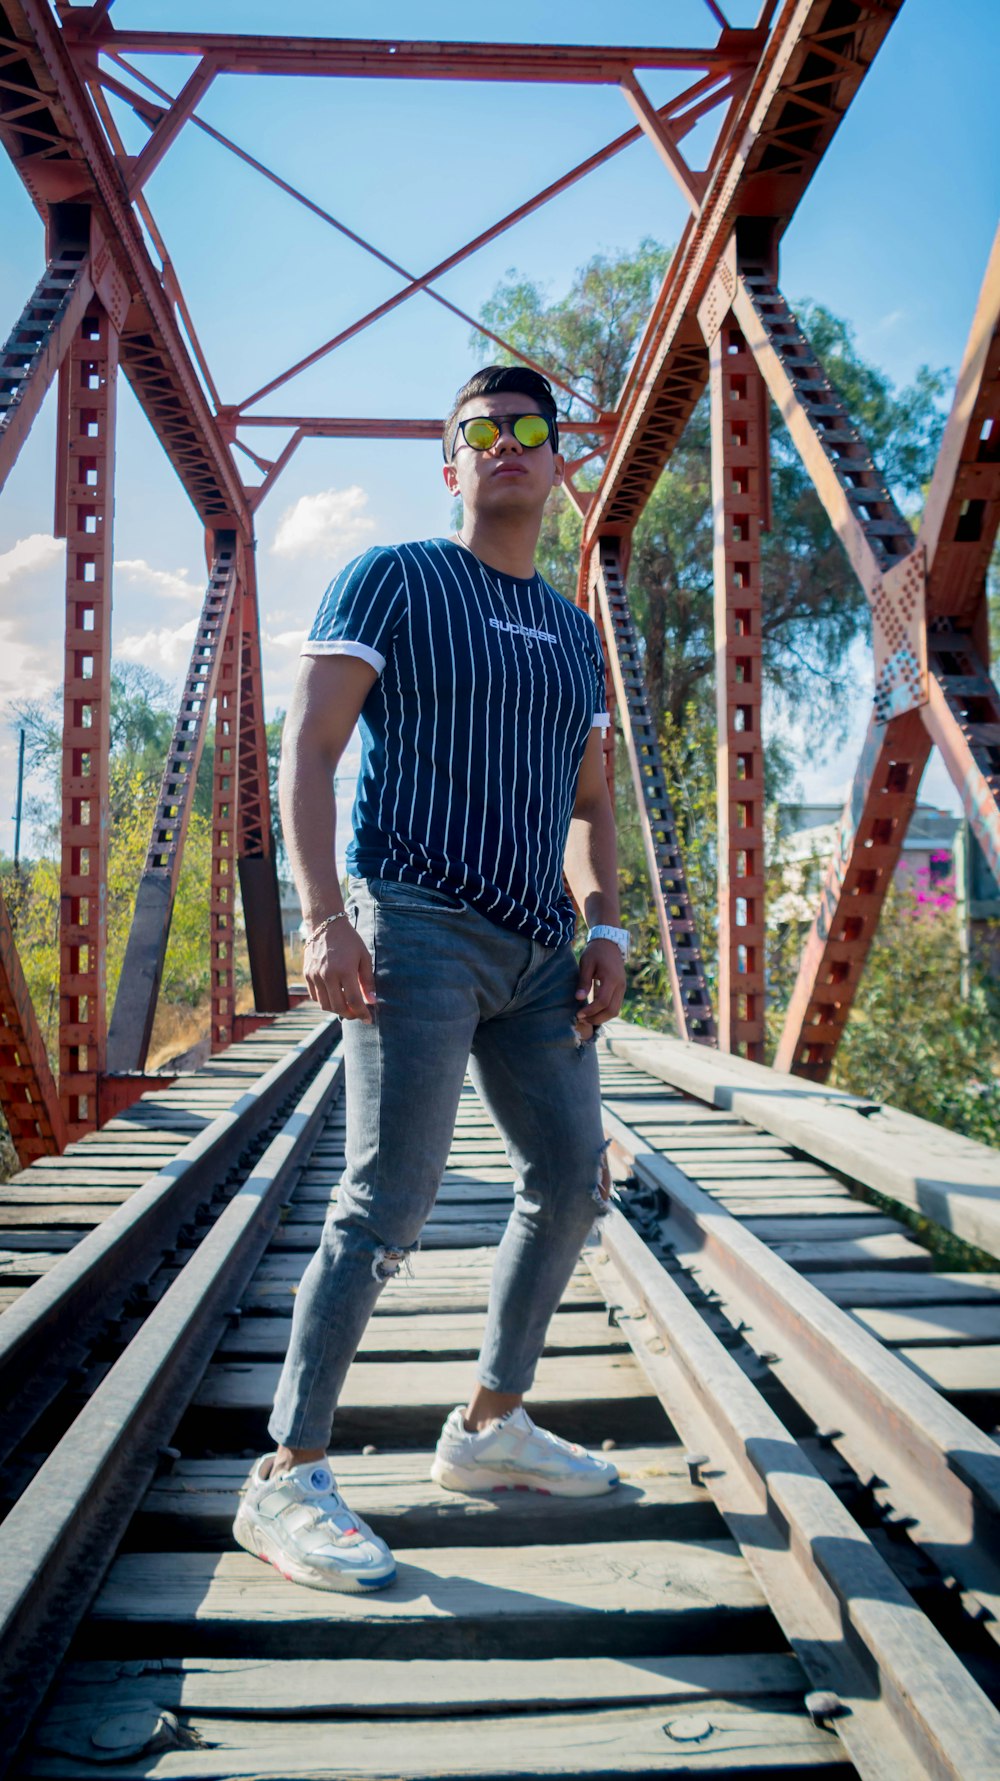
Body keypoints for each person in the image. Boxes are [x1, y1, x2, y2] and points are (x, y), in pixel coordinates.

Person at [233, 366, 629, 1593]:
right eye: (483, 433)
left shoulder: (572, 630)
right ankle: (285, 1475)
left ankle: (487, 1426)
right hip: (412, 921)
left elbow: (590, 800)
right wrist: (321, 916)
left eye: (530, 432)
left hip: (535, 950)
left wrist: (605, 924)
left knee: (571, 1180)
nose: (508, 446)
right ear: (450, 459)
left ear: (559, 463)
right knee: (384, 1204)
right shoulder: (395, 577)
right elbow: (307, 751)